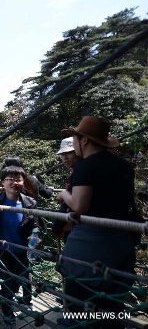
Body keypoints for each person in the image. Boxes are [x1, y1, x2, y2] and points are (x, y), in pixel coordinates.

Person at [56, 116, 136, 329]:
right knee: (112, 306)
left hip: (89, 248)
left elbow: (80, 205)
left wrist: (64, 195)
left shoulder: (85, 167)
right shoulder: (125, 166)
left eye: (74, 139)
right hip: (121, 244)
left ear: (84, 141)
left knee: (79, 307)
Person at [0, 165, 44, 324]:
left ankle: (1, 298)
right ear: (2, 183)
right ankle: (7, 315)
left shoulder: (30, 203)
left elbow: (37, 225)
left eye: (18, 179)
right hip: (1, 250)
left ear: (23, 182)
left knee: (20, 280)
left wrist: (35, 235)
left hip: (21, 251)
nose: (14, 182)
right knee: (8, 282)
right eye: (9, 179)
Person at [52, 137, 81, 242]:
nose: (64, 158)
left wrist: (63, 194)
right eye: (62, 154)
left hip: (77, 228)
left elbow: (72, 204)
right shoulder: (74, 172)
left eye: (68, 153)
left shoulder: (80, 172)